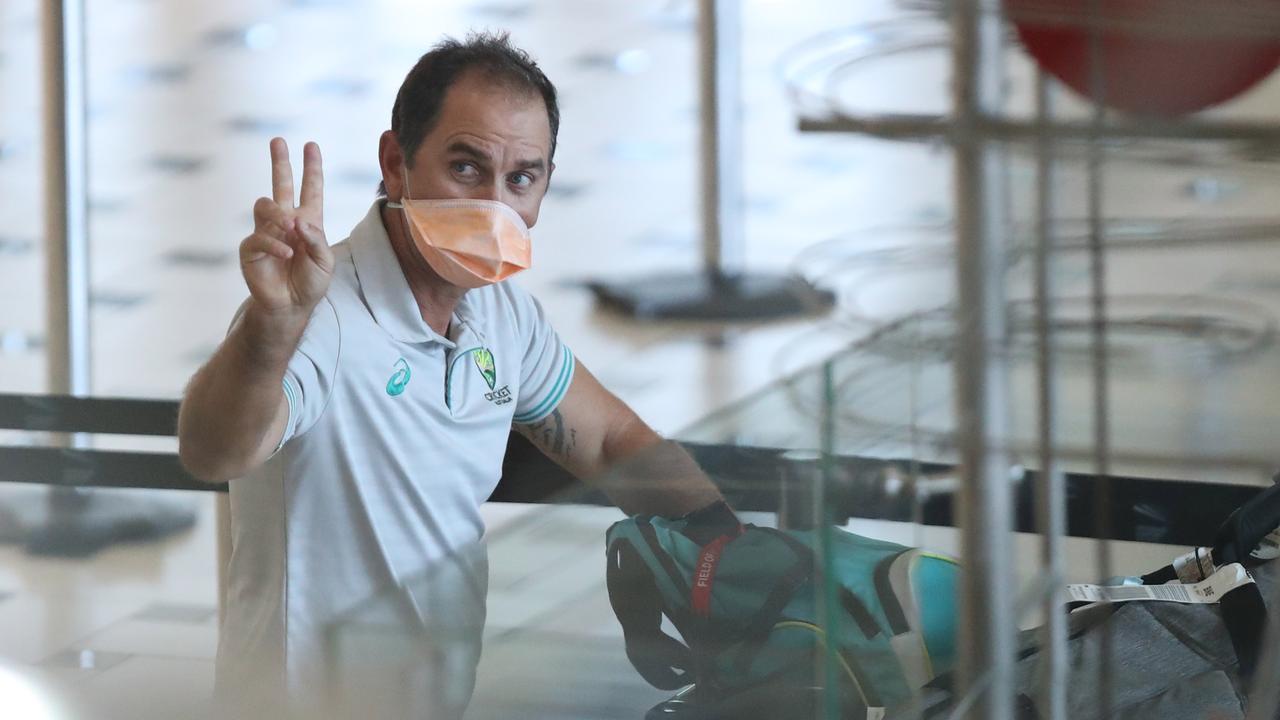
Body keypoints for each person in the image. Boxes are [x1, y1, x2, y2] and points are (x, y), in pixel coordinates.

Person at [176, 32, 730, 718]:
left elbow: (613, 437)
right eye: (466, 168)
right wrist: (272, 329)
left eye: (521, 178)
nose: (495, 206)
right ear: (395, 163)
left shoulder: (502, 316)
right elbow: (214, 451)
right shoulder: (322, 315)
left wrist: (727, 542)